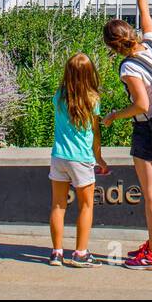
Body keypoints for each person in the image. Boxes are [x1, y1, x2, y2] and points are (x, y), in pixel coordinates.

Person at [101, 0, 152, 271]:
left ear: (113, 46)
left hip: (149, 131)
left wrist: (114, 116)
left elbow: (141, 104)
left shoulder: (129, 68)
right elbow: (145, 11)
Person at [48, 52, 109, 267]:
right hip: (81, 159)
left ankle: (56, 252)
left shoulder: (58, 96)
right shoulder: (93, 100)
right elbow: (95, 132)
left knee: (58, 205)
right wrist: (99, 158)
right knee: (85, 206)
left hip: (58, 157)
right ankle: (80, 252)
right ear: (90, 74)